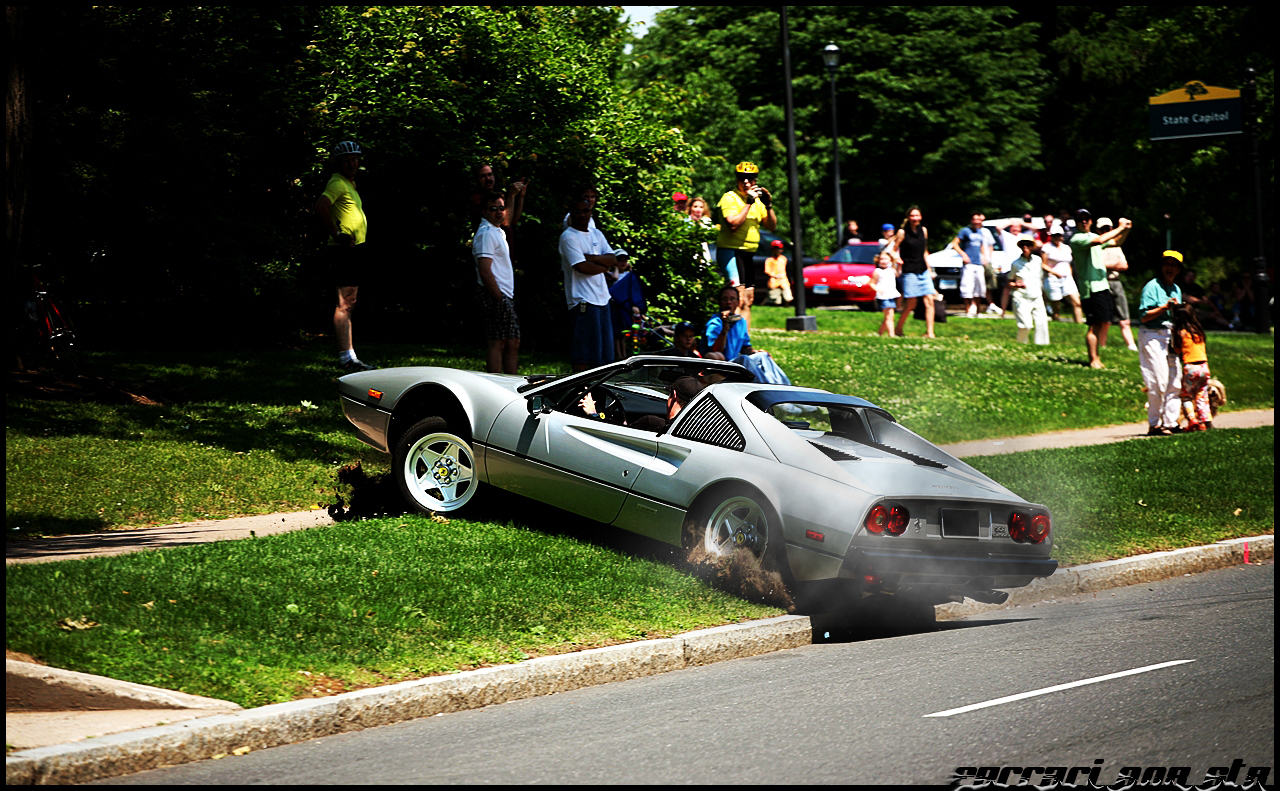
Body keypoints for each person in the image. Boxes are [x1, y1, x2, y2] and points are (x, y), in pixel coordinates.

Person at [314, 140, 375, 372]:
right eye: (347, 160)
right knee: (344, 303)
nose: (352, 163)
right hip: (343, 249)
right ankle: (345, 357)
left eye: (355, 159)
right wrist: (336, 234)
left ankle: (350, 356)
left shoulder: (350, 183)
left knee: (350, 302)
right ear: (339, 163)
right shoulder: (337, 182)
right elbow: (321, 206)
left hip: (353, 249)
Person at [560, 193, 629, 372]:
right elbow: (582, 267)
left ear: (591, 213)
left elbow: (612, 258)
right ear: (571, 213)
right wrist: (602, 264)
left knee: (604, 356)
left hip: (602, 300)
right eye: (578, 211)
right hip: (582, 301)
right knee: (583, 353)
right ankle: (581, 391)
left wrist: (593, 259)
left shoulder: (597, 234)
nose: (582, 215)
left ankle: (599, 392)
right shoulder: (568, 237)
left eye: (586, 211)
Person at [1069, 209, 1132, 369]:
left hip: (1102, 285)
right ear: (1076, 223)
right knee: (1094, 325)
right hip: (1090, 288)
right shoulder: (1077, 239)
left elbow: (1116, 242)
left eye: (1086, 219)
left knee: (1101, 322)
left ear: (1090, 221)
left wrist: (1125, 230)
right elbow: (1100, 241)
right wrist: (1119, 227)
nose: (1084, 221)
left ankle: (1097, 357)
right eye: (1080, 219)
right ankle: (1093, 359)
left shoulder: (1092, 237)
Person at [1137, 251, 1185, 436]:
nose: (1170, 268)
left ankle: (1171, 423)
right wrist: (1164, 308)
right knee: (1158, 380)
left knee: (1174, 381)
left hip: (1170, 336)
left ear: (1179, 269)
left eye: (1174, 265)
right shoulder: (1152, 287)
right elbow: (1143, 317)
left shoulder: (1176, 289)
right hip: (1152, 335)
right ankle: (1154, 424)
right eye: (1167, 264)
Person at [472, 193, 520, 374]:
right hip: (494, 294)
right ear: (484, 211)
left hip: (504, 294)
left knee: (512, 342)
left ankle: (512, 382)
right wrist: (499, 297)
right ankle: (498, 384)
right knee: (497, 343)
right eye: (494, 209)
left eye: (502, 208)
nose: (499, 212)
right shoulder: (486, 234)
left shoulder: (497, 231)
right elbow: (485, 270)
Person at [715, 161, 777, 293]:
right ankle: (729, 314)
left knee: (748, 297)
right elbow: (733, 225)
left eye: (750, 178)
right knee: (737, 294)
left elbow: (771, 227)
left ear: (755, 180)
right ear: (737, 179)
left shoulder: (758, 201)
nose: (746, 182)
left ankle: (743, 315)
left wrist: (768, 205)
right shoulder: (730, 198)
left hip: (749, 252)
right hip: (732, 250)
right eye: (742, 177)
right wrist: (749, 202)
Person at [1094, 218, 1138, 351]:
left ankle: (1131, 346)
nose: (1106, 231)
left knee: (1125, 319)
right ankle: (1102, 346)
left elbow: (1124, 265)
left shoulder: (1116, 246)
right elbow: (1097, 265)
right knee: (1105, 320)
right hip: (1102, 282)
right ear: (1098, 230)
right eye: (1103, 229)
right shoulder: (1096, 245)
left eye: (1108, 228)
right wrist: (1114, 265)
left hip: (1116, 282)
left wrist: (1108, 266)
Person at [893, 207, 937, 338]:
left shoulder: (923, 231)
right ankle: (898, 328)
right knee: (911, 303)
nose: (915, 218)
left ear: (921, 217)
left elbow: (924, 251)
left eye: (917, 216)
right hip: (909, 271)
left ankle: (930, 332)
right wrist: (896, 259)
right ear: (908, 218)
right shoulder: (902, 232)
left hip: (923, 270)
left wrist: (929, 269)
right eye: (912, 216)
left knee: (929, 300)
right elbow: (893, 249)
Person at [1170, 304, 1213, 431]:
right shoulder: (1198, 330)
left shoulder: (1181, 333)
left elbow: (1177, 350)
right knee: (1202, 395)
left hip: (1191, 367)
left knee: (1187, 396)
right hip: (1204, 367)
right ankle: (1206, 422)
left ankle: (1192, 419)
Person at [613, 376, 705, 433]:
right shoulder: (698, 432)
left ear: (674, 395)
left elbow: (618, 437)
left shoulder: (651, 424)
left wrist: (598, 415)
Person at [951, 212, 992, 318]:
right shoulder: (965, 231)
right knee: (967, 288)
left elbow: (982, 245)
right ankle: (968, 310)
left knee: (980, 288)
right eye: (975, 219)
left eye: (979, 220)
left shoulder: (980, 232)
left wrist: (984, 256)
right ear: (971, 220)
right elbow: (954, 244)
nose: (977, 222)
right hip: (968, 263)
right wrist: (963, 254)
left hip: (978, 263)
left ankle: (978, 312)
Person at [1008, 238, 1049, 345]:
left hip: (1037, 296)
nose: (1025, 247)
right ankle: (1021, 344)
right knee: (1026, 325)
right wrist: (1016, 284)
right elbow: (1009, 282)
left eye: (1028, 245)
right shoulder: (1016, 263)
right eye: (1023, 245)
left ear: (1032, 247)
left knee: (1042, 322)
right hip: (1021, 297)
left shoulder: (1038, 260)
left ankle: (1042, 345)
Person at [1042, 223, 1083, 322]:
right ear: (1051, 236)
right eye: (1054, 235)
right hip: (1053, 279)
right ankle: (1056, 322)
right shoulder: (1046, 248)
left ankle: (1079, 324)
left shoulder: (1066, 248)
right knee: (1056, 306)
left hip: (1067, 278)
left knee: (1077, 302)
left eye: (1059, 235)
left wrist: (1070, 275)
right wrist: (1055, 273)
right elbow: (1043, 264)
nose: (1057, 237)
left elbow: (1068, 264)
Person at [870, 251, 901, 337]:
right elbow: (872, 283)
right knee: (889, 315)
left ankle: (880, 333)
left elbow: (898, 274)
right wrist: (877, 289)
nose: (883, 261)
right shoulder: (877, 271)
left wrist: (900, 265)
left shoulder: (892, 270)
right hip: (883, 296)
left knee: (888, 316)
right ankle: (892, 335)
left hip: (891, 294)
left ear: (890, 260)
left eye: (885, 259)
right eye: (881, 259)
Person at [763, 239, 794, 305]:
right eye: (775, 248)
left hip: (784, 281)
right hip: (774, 282)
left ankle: (786, 306)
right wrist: (775, 275)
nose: (777, 250)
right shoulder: (769, 260)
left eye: (779, 248)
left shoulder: (783, 259)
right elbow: (767, 271)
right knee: (775, 300)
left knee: (788, 298)